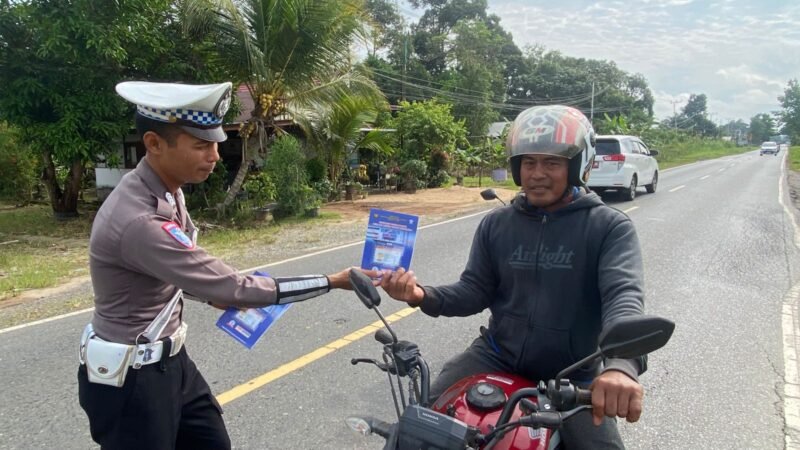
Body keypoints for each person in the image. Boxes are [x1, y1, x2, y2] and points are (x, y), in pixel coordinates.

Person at [77, 80, 377, 450]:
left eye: (216, 143)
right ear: (154, 144)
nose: (216, 155)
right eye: (202, 145)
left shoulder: (167, 191)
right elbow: (234, 288)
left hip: (170, 362)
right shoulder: (140, 220)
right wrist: (333, 281)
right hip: (132, 379)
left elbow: (164, 274)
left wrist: (206, 294)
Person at [379, 105, 646, 449]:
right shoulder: (497, 224)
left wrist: (621, 366)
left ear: (578, 165)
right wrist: (420, 295)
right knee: (417, 425)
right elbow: (474, 290)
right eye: (529, 163)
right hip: (495, 354)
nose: (537, 173)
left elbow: (623, 298)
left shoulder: (608, 228)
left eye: (552, 162)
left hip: (571, 373)